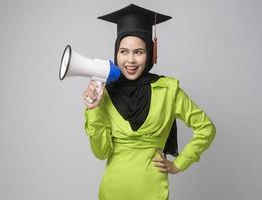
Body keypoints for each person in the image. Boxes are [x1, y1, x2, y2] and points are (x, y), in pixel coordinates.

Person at [83, 4, 216, 200]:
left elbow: (206, 128)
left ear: (150, 53)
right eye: (123, 51)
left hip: (153, 191)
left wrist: (179, 164)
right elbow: (101, 153)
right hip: (112, 190)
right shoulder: (105, 92)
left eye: (139, 52)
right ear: (115, 53)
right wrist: (93, 109)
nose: (130, 60)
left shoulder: (168, 90)